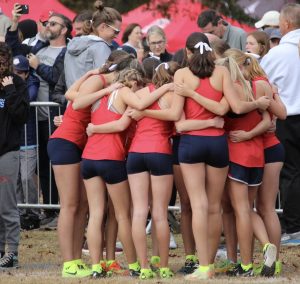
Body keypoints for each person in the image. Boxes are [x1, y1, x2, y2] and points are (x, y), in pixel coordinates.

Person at [260, 3, 300, 242]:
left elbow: (260, 81)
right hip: (289, 115)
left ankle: (294, 227)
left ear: (285, 25)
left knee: (291, 173)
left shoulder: (277, 53)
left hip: (288, 117)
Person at [0, 42, 29, 268]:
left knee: (7, 205)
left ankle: (13, 252)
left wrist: (9, 90)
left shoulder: (16, 83)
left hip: (7, 151)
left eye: (3, 60)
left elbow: (21, 115)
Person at [64, 0, 122, 88]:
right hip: (94, 100)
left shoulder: (71, 45)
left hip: (73, 100)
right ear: (103, 26)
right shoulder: (101, 46)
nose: (116, 36)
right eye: (116, 31)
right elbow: (106, 81)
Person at [13, 55, 40, 229]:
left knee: (26, 178)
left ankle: (33, 212)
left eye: (21, 72)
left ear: (27, 72)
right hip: (12, 140)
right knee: (15, 180)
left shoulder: (33, 82)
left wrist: (10, 96)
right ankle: (20, 213)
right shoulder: (7, 82)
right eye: (15, 71)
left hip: (29, 139)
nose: (18, 74)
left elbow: (26, 100)